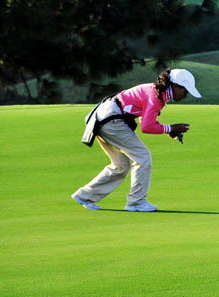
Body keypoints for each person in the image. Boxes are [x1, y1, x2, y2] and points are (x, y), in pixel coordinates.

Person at [72, 68, 201, 212]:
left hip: (103, 118)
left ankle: (85, 195)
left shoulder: (157, 92)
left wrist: (168, 130)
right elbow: (146, 127)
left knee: (121, 165)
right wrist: (170, 128)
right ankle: (136, 202)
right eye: (185, 90)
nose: (186, 94)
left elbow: (144, 118)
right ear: (176, 86)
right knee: (143, 157)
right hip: (111, 120)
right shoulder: (157, 96)